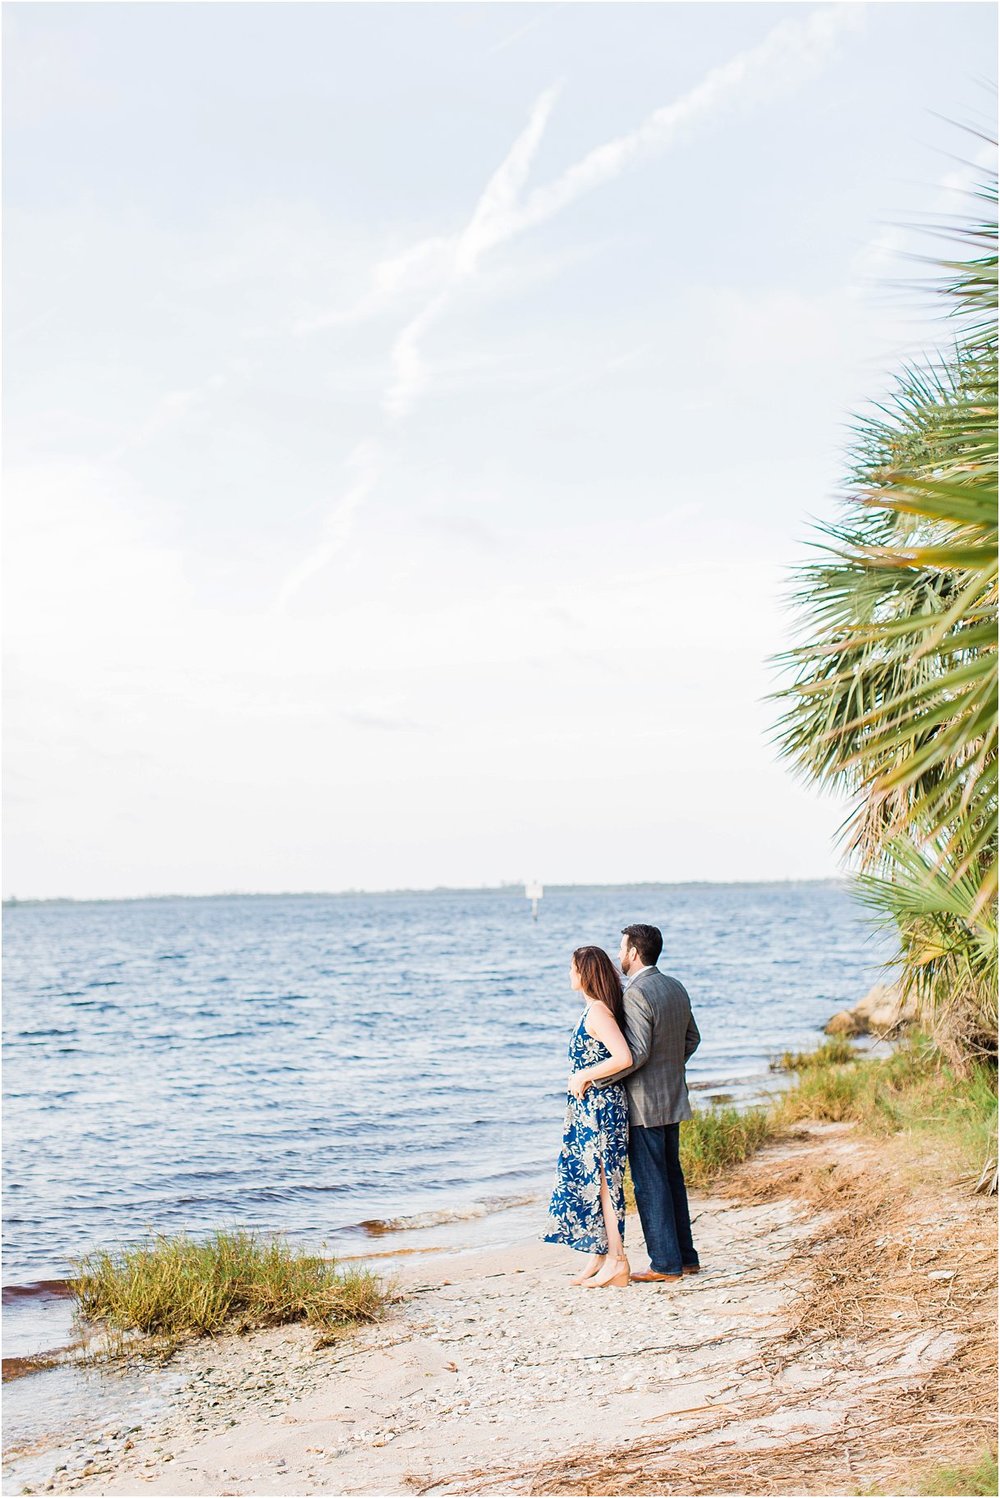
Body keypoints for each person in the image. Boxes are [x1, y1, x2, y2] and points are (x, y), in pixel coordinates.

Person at [602, 922, 701, 1283]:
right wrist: (671, 1068)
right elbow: (692, 1038)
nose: (618, 954)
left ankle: (664, 1264)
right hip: (672, 1095)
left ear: (633, 952)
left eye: (621, 948)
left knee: (649, 1183)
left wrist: (599, 1080)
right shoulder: (675, 986)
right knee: (671, 1178)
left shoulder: (635, 993)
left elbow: (637, 1052)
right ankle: (686, 1257)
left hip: (643, 1103)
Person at [542, 945, 633, 1287]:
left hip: (601, 1107)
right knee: (593, 1183)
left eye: (571, 969)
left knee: (605, 1184)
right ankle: (600, 1255)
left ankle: (618, 1261)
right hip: (588, 1108)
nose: (568, 975)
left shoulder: (598, 1013)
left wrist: (583, 1077)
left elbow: (623, 1057)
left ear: (584, 973)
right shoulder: (593, 1010)